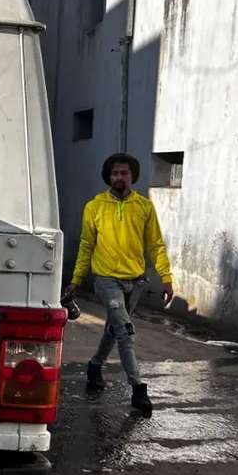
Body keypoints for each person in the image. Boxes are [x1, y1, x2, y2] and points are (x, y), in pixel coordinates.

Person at [63, 153, 173, 416]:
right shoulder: (95, 206)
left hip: (136, 282)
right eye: (115, 174)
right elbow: (86, 246)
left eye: (124, 173)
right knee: (125, 331)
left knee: (114, 329)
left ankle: (95, 365)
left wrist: (166, 278)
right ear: (108, 177)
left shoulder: (144, 207)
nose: (119, 178)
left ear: (132, 176)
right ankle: (138, 388)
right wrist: (76, 280)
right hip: (106, 280)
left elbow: (155, 245)